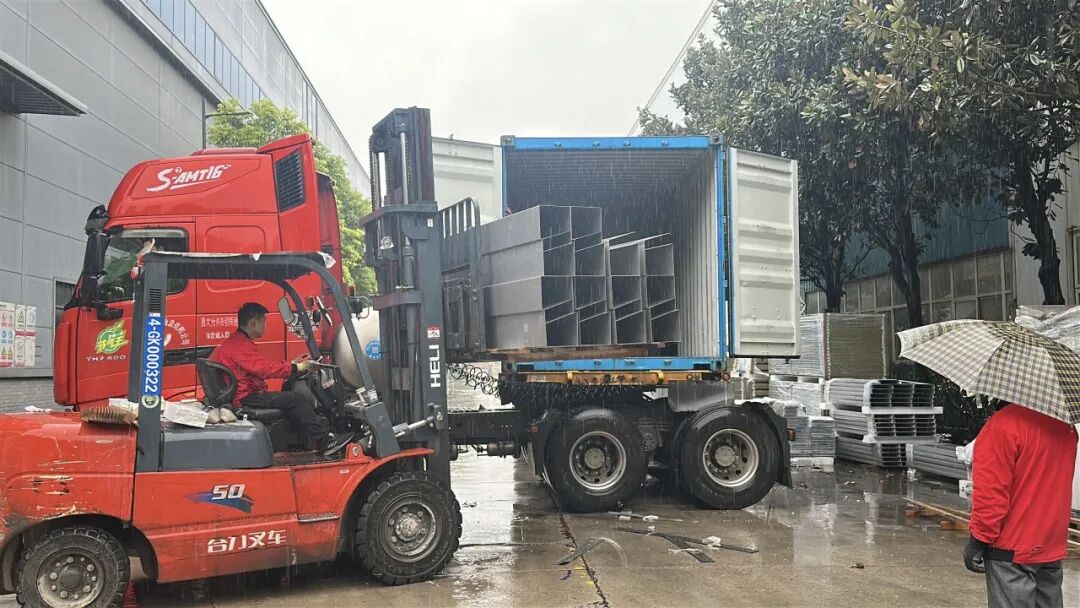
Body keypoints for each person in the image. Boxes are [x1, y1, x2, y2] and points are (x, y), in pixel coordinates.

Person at [965, 399, 1078, 608]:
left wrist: (977, 540)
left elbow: (990, 495)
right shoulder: (1065, 427)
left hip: (1011, 552)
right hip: (1050, 545)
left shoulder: (1003, 426)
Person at [210, 302, 349, 454]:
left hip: (243, 395)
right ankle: (326, 440)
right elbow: (264, 369)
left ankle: (295, 443)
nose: (266, 325)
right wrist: (297, 367)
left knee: (288, 388)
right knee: (297, 399)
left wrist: (292, 364)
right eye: (264, 321)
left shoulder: (236, 342)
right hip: (246, 398)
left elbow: (262, 365)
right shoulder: (240, 346)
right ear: (253, 322)